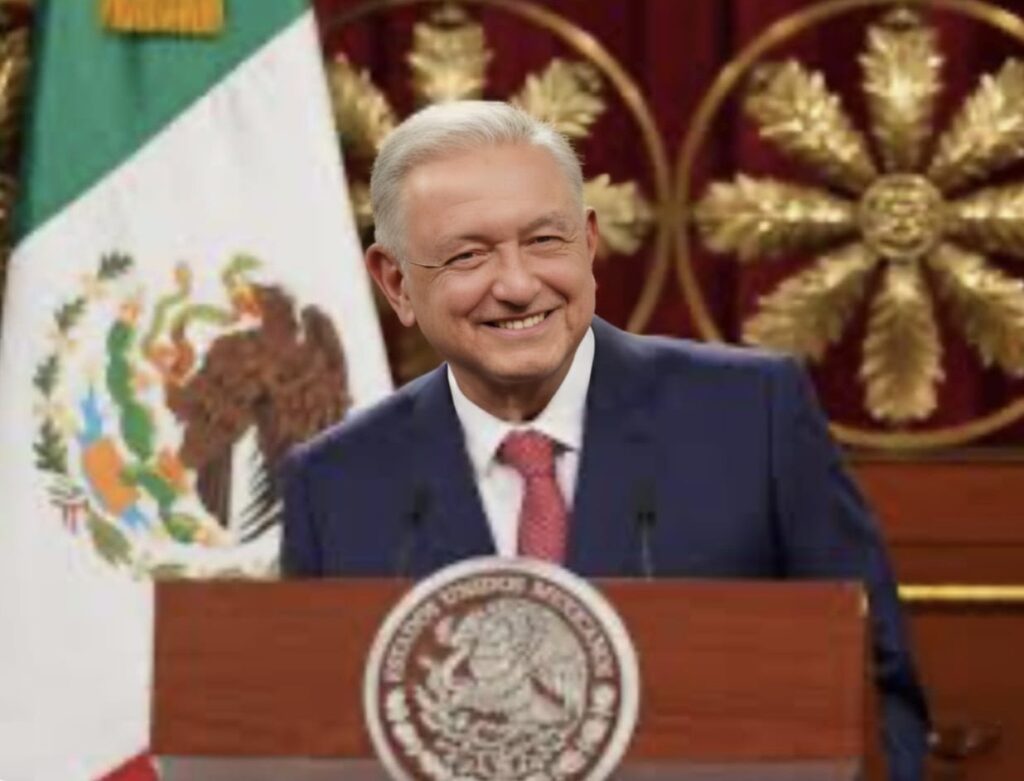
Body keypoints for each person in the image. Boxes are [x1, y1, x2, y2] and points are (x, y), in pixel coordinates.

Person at [280, 100, 928, 780]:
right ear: (396, 283)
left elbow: (879, 694)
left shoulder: (752, 419)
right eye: (469, 255)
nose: (518, 284)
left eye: (544, 241)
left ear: (588, 244)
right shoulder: (334, 484)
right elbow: (305, 739)